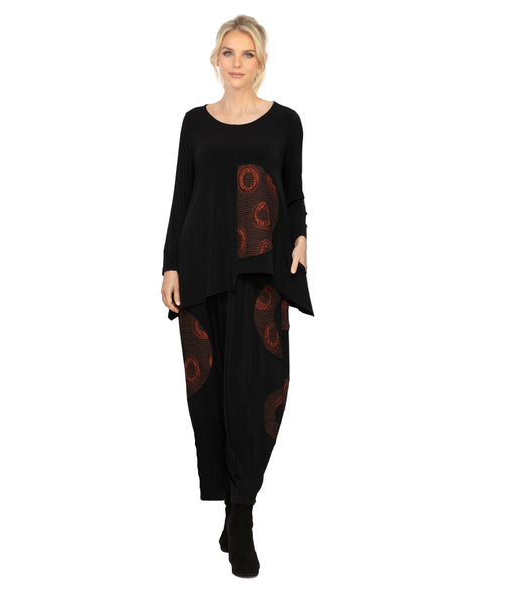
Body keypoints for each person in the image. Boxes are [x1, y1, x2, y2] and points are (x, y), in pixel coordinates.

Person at [160, 14, 314, 578]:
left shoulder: (285, 123)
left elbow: (293, 195)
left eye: (248, 54)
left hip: (261, 275)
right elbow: (182, 197)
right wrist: (169, 264)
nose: (237, 63)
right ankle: (233, 511)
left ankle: (242, 511)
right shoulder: (194, 123)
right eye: (228, 52)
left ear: (262, 62)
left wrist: (301, 237)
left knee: (259, 392)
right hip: (201, 273)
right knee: (211, 394)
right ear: (215, 59)